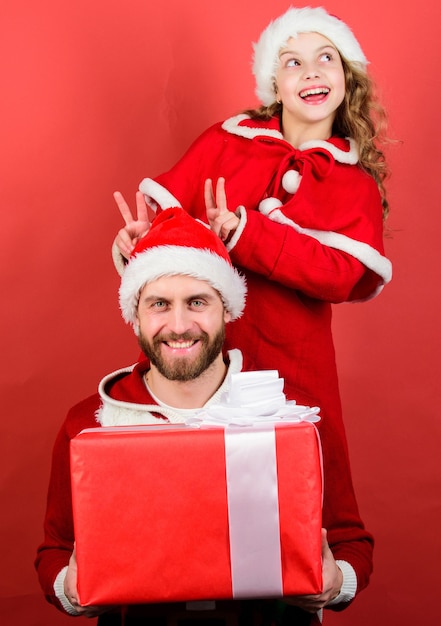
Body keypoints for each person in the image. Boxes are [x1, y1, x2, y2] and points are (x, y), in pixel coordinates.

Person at [35, 208, 373, 626]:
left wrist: (338, 581)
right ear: (135, 314)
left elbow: (350, 542)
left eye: (197, 302)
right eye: (159, 303)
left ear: (228, 310)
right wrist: (69, 588)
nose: (179, 326)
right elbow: (54, 551)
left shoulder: (294, 414)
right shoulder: (89, 422)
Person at [112, 6, 392, 470]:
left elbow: (341, 276)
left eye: (326, 58)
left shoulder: (354, 182)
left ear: (346, 76)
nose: (311, 73)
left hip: (297, 363)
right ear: (274, 85)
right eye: (292, 62)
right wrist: (145, 245)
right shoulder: (223, 143)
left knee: (300, 490)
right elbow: (170, 233)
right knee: (192, 483)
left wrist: (247, 234)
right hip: (202, 358)